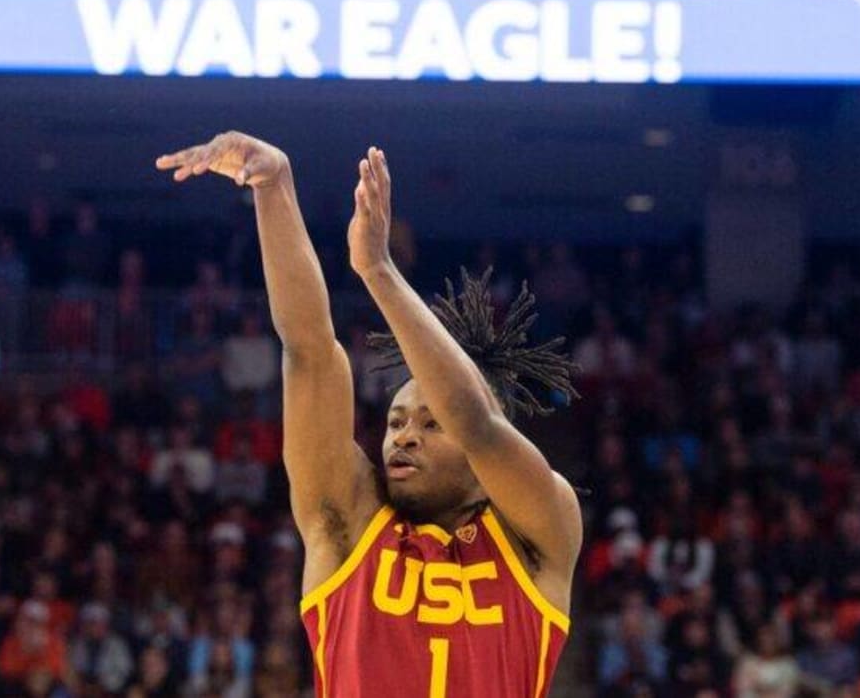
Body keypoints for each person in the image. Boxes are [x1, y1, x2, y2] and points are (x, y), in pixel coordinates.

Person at [158, 133, 582, 697]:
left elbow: (477, 425)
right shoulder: (349, 526)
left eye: (430, 425)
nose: (403, 438)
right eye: (397, 421)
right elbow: (309, 352)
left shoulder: (539, 536)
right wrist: (274, 187)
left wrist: (378, 270)